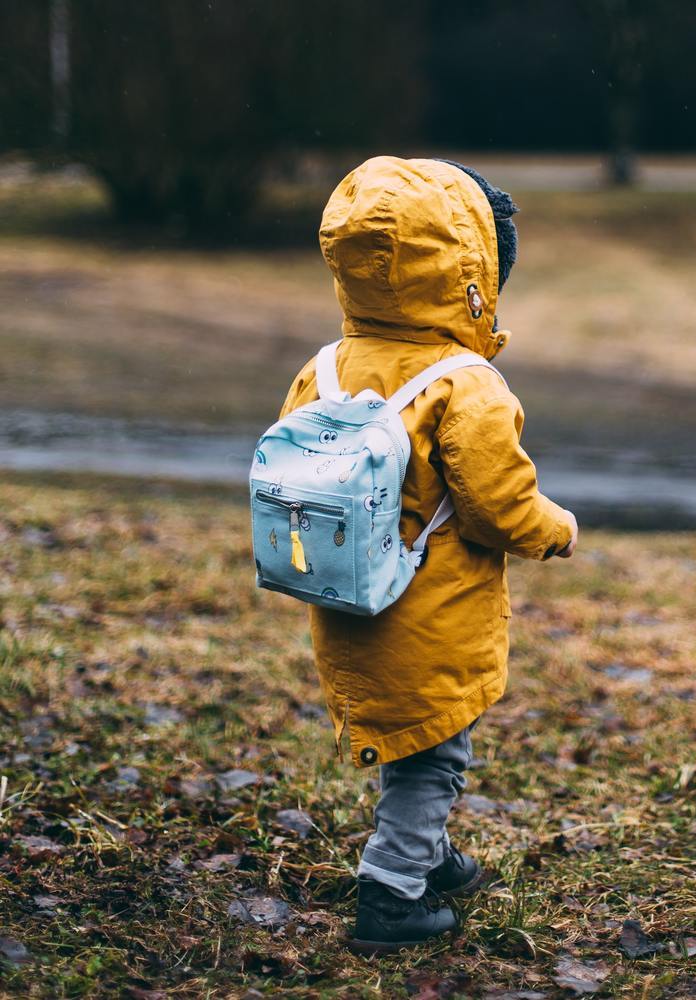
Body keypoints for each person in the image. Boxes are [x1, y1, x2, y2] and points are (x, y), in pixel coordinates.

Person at [278, 156, 577, 954]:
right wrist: (555, 528)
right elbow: (496, 504)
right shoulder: (464, 383)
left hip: (348, 601)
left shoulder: (326, 369)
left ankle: (429, 854)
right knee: (435, 753)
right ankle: (392, 891)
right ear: (470, 274)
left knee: (414, 737)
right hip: (430, 610)